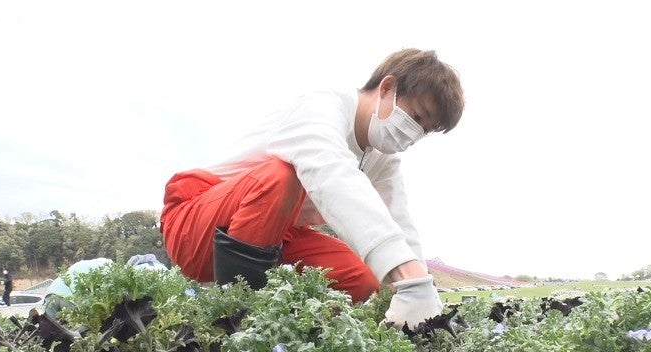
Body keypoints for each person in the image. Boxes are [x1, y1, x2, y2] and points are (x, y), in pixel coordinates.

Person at [160, 49, 465, 331]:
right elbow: (332, 173)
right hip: (197, 224)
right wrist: (407, 275)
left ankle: (290, 334)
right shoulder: (322, 106)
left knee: (366, 279)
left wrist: (420, 288)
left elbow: (400, 221)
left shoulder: (383, 161)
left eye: (424, 130)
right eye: (417, 116)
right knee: (283, 176)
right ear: (387, 88)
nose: (414, 133)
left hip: (275, 238)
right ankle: (235, 324)